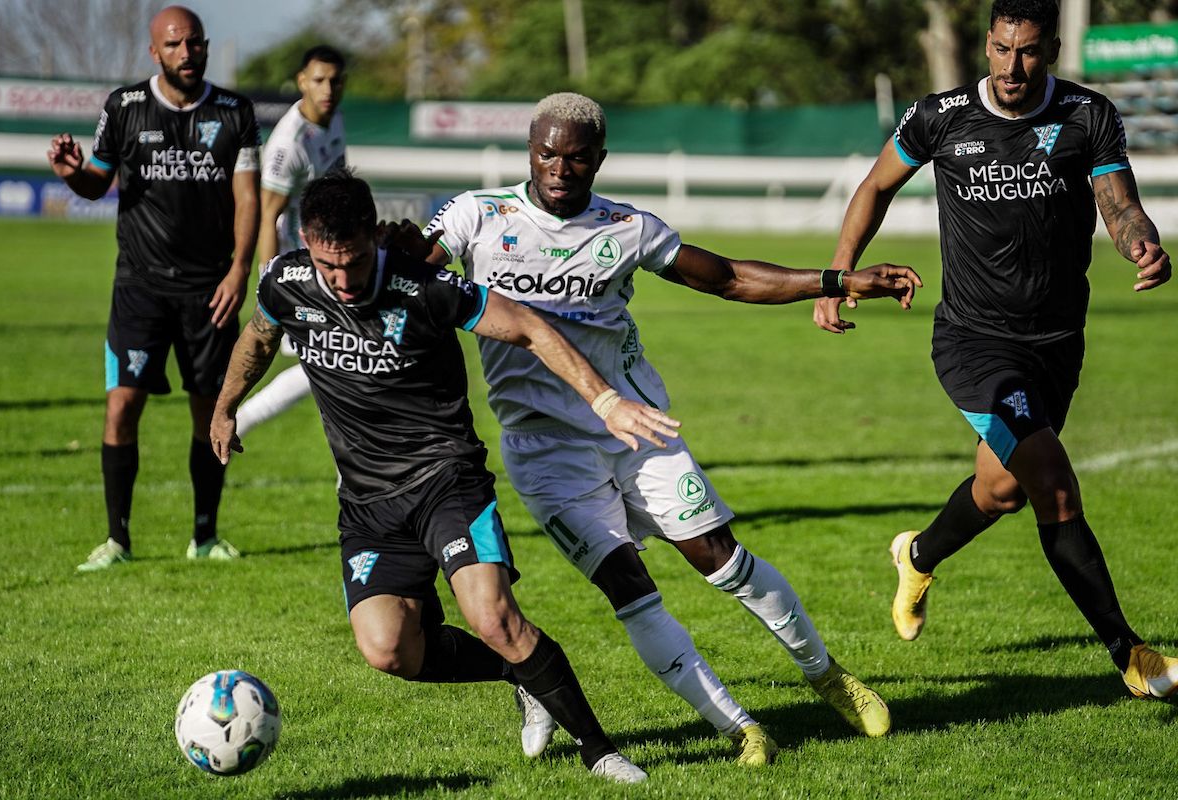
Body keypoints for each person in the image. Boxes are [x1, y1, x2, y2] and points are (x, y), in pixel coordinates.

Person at [421, 92, 922, 764]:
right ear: (530, 149)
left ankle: (826, 676)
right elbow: (405, 274)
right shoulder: (476, 217)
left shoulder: (626, 228)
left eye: (576, 157)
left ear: (598, 159)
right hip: (544, 449)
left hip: (637, 427)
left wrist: (835, 279)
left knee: (723, 559)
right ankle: (740, 729)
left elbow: (730, 278)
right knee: (630, 588)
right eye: (547, 153)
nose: (559, 168)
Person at [211, 170, 679, 783]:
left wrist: (604, 401)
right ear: (305, 242)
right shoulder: (287, 281)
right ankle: (520, 675)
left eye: (354, 262)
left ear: (373, 237)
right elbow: (259, 334)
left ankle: (600, 751)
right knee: (389, 650)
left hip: (446, 479)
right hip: (367, 501)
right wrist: (225, 406)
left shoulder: (425, 287)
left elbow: (531, 328)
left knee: (494, 619)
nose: (344, 281)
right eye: (330, 267)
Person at [813, 0, 1177, 698]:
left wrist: (1142, 244)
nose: (1015, 67)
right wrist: (838, 275)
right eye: (1004, 50)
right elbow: (876, 185)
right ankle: (1131, 655)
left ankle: (917, 554)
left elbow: (1118, 202)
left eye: (1031, 51)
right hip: (975, 342)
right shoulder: (940, 115)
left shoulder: (1087, 114)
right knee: (1053, 483)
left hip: (1058, 341)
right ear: (986, 46)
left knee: (1001, 487)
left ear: (1054, 49)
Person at [49, 5, 260, 572]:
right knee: (121, 408)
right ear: (154, 52)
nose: (186, 54)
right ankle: (117, 540)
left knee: (210, 412)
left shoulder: (234, 112)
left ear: (206, 46)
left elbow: (247, 197)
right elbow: (97, 180)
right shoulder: (124, 107)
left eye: (194, 44)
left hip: (210, 290)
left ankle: (206, 536)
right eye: (173, 45)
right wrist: (73, 173)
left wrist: (240, 269)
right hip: (140, 287)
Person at [234, 44, 347, 437]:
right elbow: (268, 216)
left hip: (330, 257)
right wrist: (270, 286)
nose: (327, 88)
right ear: (302, 82)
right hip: (299, 264)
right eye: (318, 80)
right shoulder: (289, 143)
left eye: (334, 80)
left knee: (334, 363)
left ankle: (350, 478)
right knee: (335, 362)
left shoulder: (333, 120)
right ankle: (240, 418)